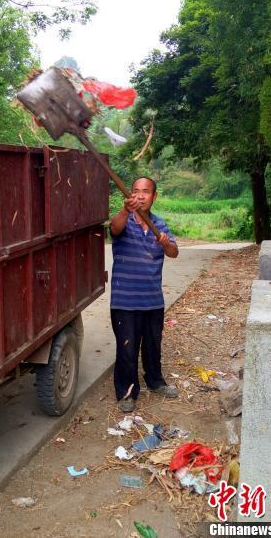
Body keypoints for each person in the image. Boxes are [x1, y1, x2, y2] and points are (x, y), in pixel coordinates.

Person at [109, 176, 179, 413]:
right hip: (125, 301)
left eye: (146, 191)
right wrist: (124, 210)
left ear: (154, 196)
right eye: (136, 191)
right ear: (131, 195)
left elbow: (174, 253)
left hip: (152, 300)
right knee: (127, 349)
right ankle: (127, 393)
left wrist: (165, 243)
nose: (141, 195)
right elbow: (114, 228)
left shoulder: (160, 224)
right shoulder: (124, 220)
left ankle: (156, 381)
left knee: (153, 346)